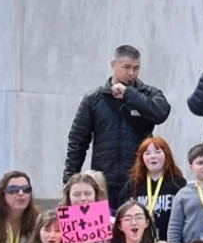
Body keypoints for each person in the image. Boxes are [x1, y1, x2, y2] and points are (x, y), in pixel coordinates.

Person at [63, 45, 172, 198]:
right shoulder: (93, 99)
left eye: (136, 68)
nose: (131, 73)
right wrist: (69, 179)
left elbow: (161, 113)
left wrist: (129, 94)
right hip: (103, 180)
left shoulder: (148, 94)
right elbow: (77, 141)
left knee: (136, 214)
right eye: (126, 67)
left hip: (138, 178)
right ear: (113, 65)